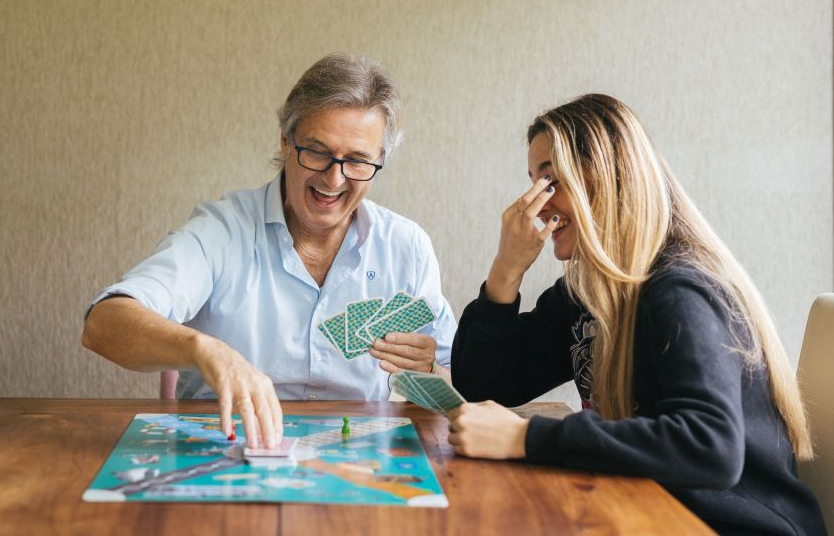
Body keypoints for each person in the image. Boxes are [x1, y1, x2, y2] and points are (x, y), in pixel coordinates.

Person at [447, 94, 825, 535]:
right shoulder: (586, 293)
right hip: (649, 511)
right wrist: (505, 269)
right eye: (532, 182)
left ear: (611, 179)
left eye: (551, 182)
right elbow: (484, 382)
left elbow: (710, 448)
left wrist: (523, 438)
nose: (536, 204)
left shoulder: (680, 288)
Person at [82, 53, 456, 449]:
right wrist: (202, 349)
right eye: (317, 151)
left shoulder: (407, 247)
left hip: (355, 461)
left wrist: (429, 371)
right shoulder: (222, 230)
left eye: (358, 161)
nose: (334, 178)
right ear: (285, 139)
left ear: (379, 161)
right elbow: (103, 325)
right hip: (222, 454)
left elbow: (455, 386)